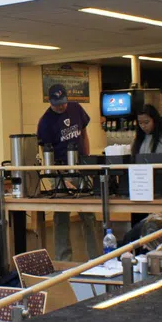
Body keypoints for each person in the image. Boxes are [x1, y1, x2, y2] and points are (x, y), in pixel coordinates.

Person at [36, 83, 98, 261]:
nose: (61, 106)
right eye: (57, 104)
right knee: (61, 215)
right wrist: (59, 178)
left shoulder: (76, 108)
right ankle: (63, 260)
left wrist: (87, 160)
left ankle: (95, 258)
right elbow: (45, 152)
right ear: (50, 102)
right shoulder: (45, 122)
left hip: (80, 166)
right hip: (60, 168)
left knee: (88, 212)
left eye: (63, 102)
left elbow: (83, 134)